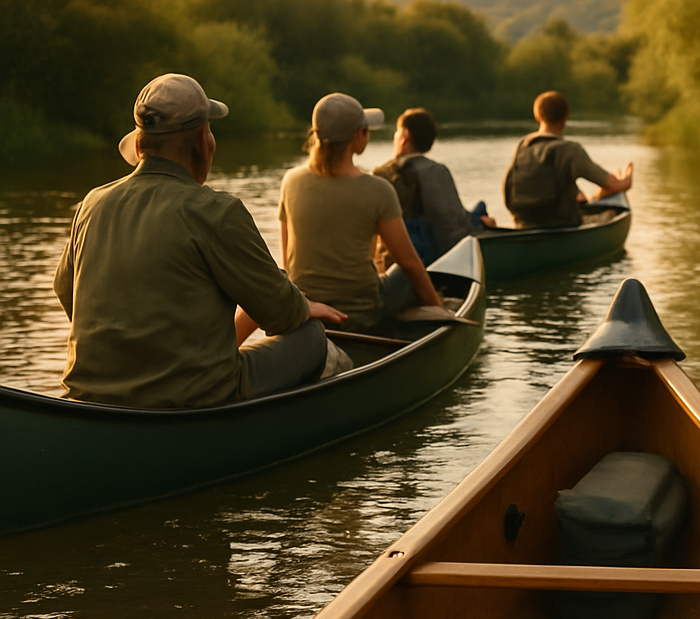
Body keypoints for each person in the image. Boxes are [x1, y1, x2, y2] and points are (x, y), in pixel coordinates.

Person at [53, 73, 344, 408]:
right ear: (204, 143)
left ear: (138, 146)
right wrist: (301, 307)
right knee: (311, 338)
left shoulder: (91, 204)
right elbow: (279, 312)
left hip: (91, 395)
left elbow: (65, 290)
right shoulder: (216, 211)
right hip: (193, 396)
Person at [278, 92, 446, 329]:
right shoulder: (378, 189)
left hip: (306, 309)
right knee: (411, 268)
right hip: (361, 314)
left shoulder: (291, 180)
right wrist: (439, 309)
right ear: (358, 135)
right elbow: (409, 263)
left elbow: (287, 259)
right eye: (366, 129)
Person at [372, 107, 496, 266]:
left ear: (405, 136)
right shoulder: (435, 172)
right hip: (429, 260)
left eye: (397, 131)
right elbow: (452, 226)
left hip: (388, 260)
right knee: (480, 210)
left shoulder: (380, 173)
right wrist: (479, 226)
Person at [502, 91, 633, 228]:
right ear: (566, 117)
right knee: (613, 211)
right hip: (562, 224)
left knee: (586, 199)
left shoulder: (523, 145)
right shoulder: (571, 150)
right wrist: (626, 181)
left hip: (523, 223)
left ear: (537, 116)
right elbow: (614, 185)